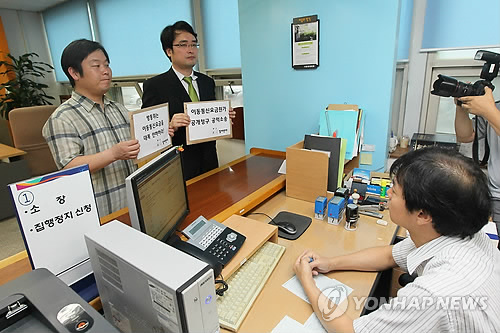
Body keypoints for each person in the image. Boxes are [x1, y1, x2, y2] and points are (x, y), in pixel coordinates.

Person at [294, 147, 500, 332]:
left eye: (395, 189)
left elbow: (349, 331)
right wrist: (330, 263)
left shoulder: (433, 295)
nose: (388, 193)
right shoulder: (458, 231)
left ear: (422, 214)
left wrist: (307, 282)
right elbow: (390, 255)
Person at [43, 39, 141, 217]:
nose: (106, 71)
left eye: (107, 65)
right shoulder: (62, 118)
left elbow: (135, 145)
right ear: (74, 73)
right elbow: (69, 167)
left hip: (133, 203)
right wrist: (113, 154)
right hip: (100, 212)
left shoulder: (118, 108)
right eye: (96, 66)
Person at [142, 20, 235, 180]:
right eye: (183, 45)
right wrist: (169, 125)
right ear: (169, 51)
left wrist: (223, 118)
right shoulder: (155, 85)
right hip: (179, 165)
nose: (190, 50)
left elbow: (209, 119)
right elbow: (149, 134)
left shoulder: (207, 82)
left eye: (194, 45)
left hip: (209, 161)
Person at [455, 86, 500, 249]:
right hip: (495, 194)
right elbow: (465, 136)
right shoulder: (495, 108)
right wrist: (462, 107)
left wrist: (488, 111)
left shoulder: (492, 110)